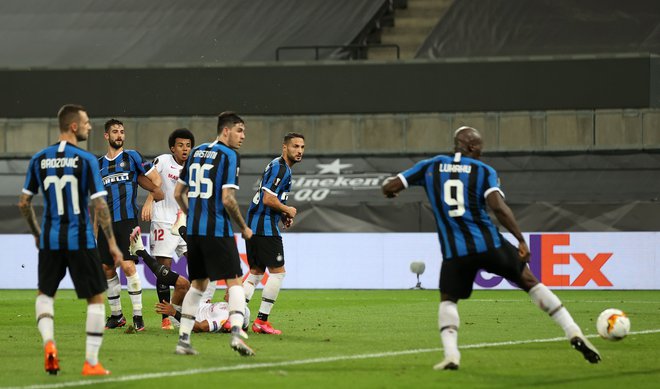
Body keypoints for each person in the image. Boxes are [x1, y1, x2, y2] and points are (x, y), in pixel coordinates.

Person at [382, 126, 601, 370]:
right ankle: (573, 331)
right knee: (530, 281)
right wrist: (519, 238)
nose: (482, 151)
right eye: (481, 147)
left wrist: (390, 192)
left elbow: (390, 186)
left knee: (448, 300)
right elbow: (498, 207)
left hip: (456, 253)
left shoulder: (430, 165)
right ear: (472, 147)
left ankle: (451, 356)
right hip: (489, 243)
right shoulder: (484, 171)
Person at [18, 104, 123, 376]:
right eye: (86, 122)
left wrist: (37, 234)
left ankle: (50, 345)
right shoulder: (86, 159)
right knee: (96, 299)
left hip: (50, 240)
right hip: (80, 239)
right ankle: (91, 362)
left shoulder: (39, 159)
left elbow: (24, 203)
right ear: (74, 126)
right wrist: (111, 244)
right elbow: (100, 206)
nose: (89, 126)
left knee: (45, 295)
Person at [173, 111, 254, 356]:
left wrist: (192, 215)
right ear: (226, 131)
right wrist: (243, 226)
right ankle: (237, 334)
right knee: (235, 282)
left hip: (195, 232)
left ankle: (183, 341)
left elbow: (178, 193)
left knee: (198, 285)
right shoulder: (229, 155)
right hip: (217, 229)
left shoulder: (196, 151)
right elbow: (228, 199)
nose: (242, 137)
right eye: (239, 131)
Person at [97, 119, 164, 331]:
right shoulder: (98, 165)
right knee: (107, 267)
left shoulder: (132, 157)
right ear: (106, 136)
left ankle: (138, 316)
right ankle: (117, 315)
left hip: (127, 220)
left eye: (122, 132)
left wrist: (149, 201)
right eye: (115, 132)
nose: (119, 135)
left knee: (128, 266)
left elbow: (156, 181)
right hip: (106, 225)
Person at [243, 132, 304, 335]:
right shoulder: (281, 168)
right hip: (265, 228)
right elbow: (268, 199)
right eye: (295, 146)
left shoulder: (277, 165)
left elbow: (270, 198)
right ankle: (261, 321)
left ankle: (232, 316)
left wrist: (282, 212)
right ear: (284, 147)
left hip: (255, 225)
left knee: (255, 273)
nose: (300, 151)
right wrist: (287, 209)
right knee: (278, 273)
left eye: (302, 147)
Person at [140, 128, 195, 330]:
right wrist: (149, 202)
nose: (185, 149)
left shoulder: (192, 167)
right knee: (165, 269)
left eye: (188, 146)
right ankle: (165, 318)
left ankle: (186, 308)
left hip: (184, 221)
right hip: (163, 220)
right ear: (173, 148)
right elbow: (153, 182)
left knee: (198, 263)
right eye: (180, 145)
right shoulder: (163, 161)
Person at [155, 289, 251, 333]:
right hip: (194, 304)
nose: (227, 289)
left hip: (183, 317)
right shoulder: (242, 309)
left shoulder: (223, 316)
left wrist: (174, 312)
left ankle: (165, 319)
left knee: (182, 284)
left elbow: (200, 327)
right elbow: (245, 328)